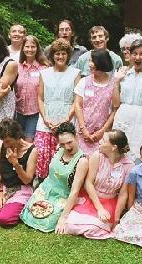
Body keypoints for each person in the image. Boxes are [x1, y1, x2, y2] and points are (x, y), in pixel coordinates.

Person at [62, 130, 133, 239]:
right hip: (91, 198)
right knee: (71, 225)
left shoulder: (128, 165)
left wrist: (116, 219)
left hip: (110, 202)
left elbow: (123, 194)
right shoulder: (96, 156)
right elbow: (88, 183)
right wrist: (99, 208)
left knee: (96, 227)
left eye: (103, 140)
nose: (99, 142)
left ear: (113, 147)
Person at [20, 122, 88, 232]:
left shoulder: (82, 161)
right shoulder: (58, 149)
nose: (67, 147)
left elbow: (75, 191)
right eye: (63, 144)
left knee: (47, 220)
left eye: (69, 142)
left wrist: (63, 218)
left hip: (63, 195)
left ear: (76, 136)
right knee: (32, 211)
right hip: (46, 188)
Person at [34, 38, 81, 180]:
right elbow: (40, 98)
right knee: (42, 154)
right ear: (52, 55)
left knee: (63, 155)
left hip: (67, 118)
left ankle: (62, 184)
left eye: (63, 54)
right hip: (46, 121)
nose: (60, 57)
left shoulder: (75, 73)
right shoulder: (44, 73)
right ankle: (42, 184)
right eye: (57, 54)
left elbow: (77, 99)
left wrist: (66, 119)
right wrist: (45, 118)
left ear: (68, 55)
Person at [0, 118, 38, 226]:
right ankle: (7, 207)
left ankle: (15, 207)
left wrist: (15, 163)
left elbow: (27, 180)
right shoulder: (0, 146)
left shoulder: (32, 151)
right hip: (4, 188)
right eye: (3, 141)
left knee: (5, 219)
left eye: (8, 141)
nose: (5, 145)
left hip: (22, 189)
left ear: (18, 137)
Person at [74, 49, 119, 155]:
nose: (89, 64)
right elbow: (77, 105)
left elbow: (115, 109)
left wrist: (102, 131)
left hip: (101, 135)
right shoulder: (84, 82)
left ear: (102, 62)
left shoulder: (113, 84)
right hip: (82, 132)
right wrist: (83, 128)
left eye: (92, 61)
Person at [15, 35, 49, 142]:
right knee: (18, 141)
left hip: (35, 111)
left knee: (29, 142)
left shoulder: (44, 68)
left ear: (37, 48)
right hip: (18, 111)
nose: (30, 49)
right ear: (23, 48)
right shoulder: (17, 66)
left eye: (33, 46)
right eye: (27, 46)